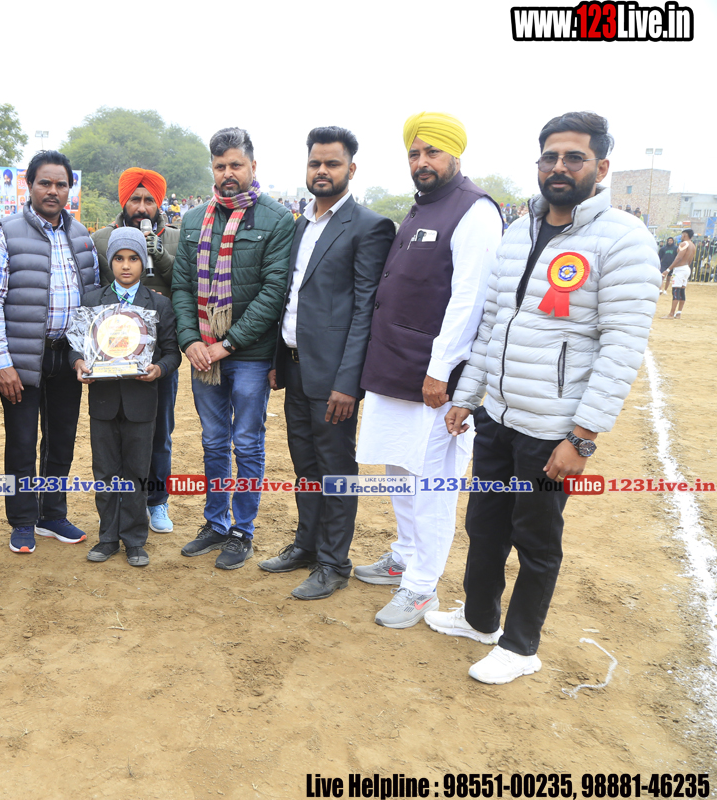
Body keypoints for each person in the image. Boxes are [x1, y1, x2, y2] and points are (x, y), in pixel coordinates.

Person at [430, 111, 659, 684]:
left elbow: (621, 347)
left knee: (535, 539)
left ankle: (520, 646)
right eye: (550, 157)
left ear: (601, 167)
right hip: (498, 416)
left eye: (574, 157)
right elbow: (493, 324)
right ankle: (480, 619)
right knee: (485, 525)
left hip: (553, 426)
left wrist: (582, 438)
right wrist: (468, 395)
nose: (560, 167)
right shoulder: (518, 232)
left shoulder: (623, 239)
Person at [355, 111, 502, 628]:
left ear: (455, 154)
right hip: (395, 367)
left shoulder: (475, 211)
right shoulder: (423, 206)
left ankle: (421, 588)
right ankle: (404, 555)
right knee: (400, 469)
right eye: (414, 153)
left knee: (433, 484)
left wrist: (441, 370)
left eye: (432, 152)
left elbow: (470, 299)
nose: (422, 161)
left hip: (436, 379)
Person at [259, 126, 395, 599]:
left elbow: (365, 311)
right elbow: (291, 297)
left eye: (332, 163)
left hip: (335, 377)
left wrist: (348, 383)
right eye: (315, 163)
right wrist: (279, 358)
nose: (322, 170)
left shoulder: (369, 227)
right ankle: (307, 546)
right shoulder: (301, 224)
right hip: (296, 367)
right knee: (305, 466)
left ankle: (334, 562)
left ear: (351, 169)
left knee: (335, 469)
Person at [173, 127, 293, 570]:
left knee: (246, 441)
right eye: (220, 166)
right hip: (202, 354)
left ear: (252, 166)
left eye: (236, 165)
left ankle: (243, 529)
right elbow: (181, 287)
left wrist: (227, 344)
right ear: (212, 168)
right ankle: (215, 522)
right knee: (213, 440)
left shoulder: (277, 220)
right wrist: (190, 340)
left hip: (250, 355)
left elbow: (273, 292)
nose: (228, 173)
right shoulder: (192, 221)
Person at [0, 150, 99, 554]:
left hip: (68, 357)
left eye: (61, 184)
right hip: (21, 360)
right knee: (21, 441)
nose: (53, 190)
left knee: (61, 439)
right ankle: (22, 520)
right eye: (44, 182)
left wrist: (87, 352)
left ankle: (52, 514)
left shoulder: (80, 236)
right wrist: (2, 364)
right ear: (29, 185)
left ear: (69, 190)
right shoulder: (6, 233)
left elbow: (90, 299)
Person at [71, 229, 180, 566]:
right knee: (104, 471)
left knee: (137, 470)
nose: (126, 265)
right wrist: (78, 363)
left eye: (133, 258)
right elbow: (76, 346)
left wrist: (159, 369)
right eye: (119, 258)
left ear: (143, 262)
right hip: (103, 400)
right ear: (110, 262)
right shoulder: (92, 301)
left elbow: (172, 353)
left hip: (141, 401)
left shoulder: (159, 304)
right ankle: (107, 537)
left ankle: (134, 539)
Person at [91, 168, 180, 533]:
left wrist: (160, 256)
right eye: (135, 199)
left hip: (159, 356)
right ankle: (118, 510)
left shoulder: (175, 237)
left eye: (149, 200)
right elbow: (95, 292)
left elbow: (185, 285)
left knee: (159, 432)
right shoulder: (101, 239)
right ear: (123, 201)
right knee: (114, 435)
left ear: (159, 203)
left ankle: (156, 501)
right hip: (114, 354)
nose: (142, 207)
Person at [666, 229, 694, 317]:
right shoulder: (693, 245)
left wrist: (668, 269)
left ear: (685, 235)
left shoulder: (684, 244)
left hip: (680, 269)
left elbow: (678, 258)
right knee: (682, 291)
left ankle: (671, 314)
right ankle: (678, 313)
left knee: (676, 291)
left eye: (682, 235)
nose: (681, 237)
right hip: (686, 268)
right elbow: (690, 260)